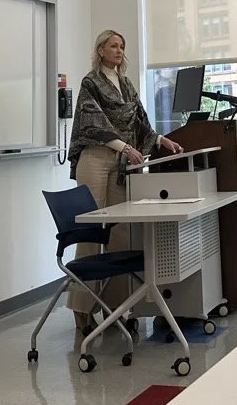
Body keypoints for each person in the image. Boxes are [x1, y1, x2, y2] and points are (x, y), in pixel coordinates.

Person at [65, 29, 183, 334]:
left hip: (121, 164)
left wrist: (159, 139)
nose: (119, 50)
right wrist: (124, 147)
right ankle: (82, 309)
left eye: (122, 46)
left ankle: (116, 308)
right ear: (101, 50)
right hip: (96, 159)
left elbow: (139, 121)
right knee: (91, 234)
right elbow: (93, 122)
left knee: (121, 234)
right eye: (113, 46)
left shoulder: (127, 85)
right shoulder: (90, 82)